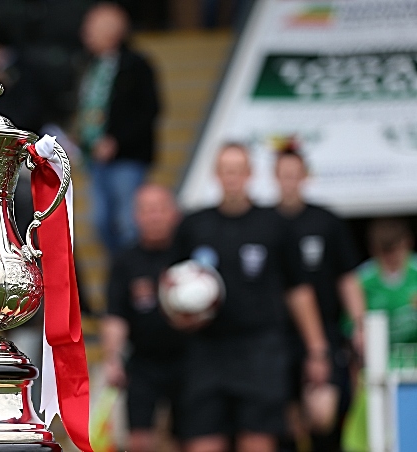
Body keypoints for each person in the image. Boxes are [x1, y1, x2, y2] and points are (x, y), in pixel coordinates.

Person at [170, 144, 330, 452]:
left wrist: (317, 350)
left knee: (257, 440)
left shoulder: (275, 224)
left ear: (250, 174)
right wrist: (180, 315)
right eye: (225, 170)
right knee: (203, 441)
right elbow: (171, 287)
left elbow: (298, 290)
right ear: (216, 175)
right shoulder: (193, 225)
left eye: (238, 170)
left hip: (260, 350)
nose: (232, 177)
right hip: (206, 350)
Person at [274, 147, 365, 451]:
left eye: (294, 174)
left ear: (304, 177)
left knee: (325, 417)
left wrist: (359, 325)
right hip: (276, 337)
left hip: (323, 333)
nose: (289, 181)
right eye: (283, 174)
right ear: (275, 177)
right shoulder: (265, 222)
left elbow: (347, 278)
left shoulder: (327, 222)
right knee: (283, 422)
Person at [102, 184, 186, 451]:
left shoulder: (190, 253)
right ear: (136, 216)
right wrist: (113, 359)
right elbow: (115, 316)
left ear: (174, 214)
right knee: (139, 440)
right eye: (147, 211)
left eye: (160, 209)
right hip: (143, 362)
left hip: (190, 359)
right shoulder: (125, 261)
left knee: (191, 438)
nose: (155, 217)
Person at [77, 2, 160, 254]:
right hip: (95, 160)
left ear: (113, 30)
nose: (85, 32)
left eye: (92, 26)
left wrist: (117, 141)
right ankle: (122, 273)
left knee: (128, 222)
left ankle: (134, 273)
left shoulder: (137, 65)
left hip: (127, 159)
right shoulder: (89, 65)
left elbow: (150, 110)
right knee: (100, 222)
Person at [359, 218, 417, 364]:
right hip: (379, 362)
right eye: (384, 252)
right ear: (373, 250)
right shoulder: (361, 280)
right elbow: (353, 330)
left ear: (408, 243)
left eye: (396, 250)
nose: (391, 257)